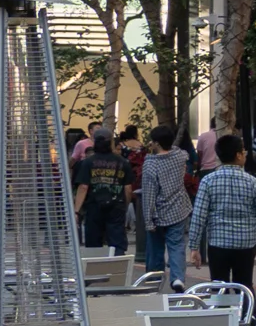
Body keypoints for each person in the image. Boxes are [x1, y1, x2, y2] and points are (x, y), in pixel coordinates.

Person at [189, 127, 256, 287]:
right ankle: (248, 312)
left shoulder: (208, 181)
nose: (245, 153)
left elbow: (199, 216)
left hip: (218, 244)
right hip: (245, 244)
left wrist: (194, 246)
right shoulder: (251, 182)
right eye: (243, 151)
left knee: (219, 287)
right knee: (245, 286)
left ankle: (221, 311)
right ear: (238, 155)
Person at [137, 125, 194, 284]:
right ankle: (178, 278)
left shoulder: (151, 165)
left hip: (158, 213)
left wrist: (148, 220)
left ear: (156, 143)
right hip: (178, 209)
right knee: (176, 246)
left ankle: (154, 281)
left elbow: (149, 195)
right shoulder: (180, 156)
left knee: (155, 249)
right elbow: (179, 150)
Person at [71, 122, 132, 254]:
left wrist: (76, 210)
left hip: (94, 206)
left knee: (94, 244)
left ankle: (96, 271)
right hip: (116, 206)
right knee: (117, 243)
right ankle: (117, 270)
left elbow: (83, 187)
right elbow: (128, 188)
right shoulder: (122, 162)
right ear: (111, 143)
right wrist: (125, 205)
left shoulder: (88, 162)